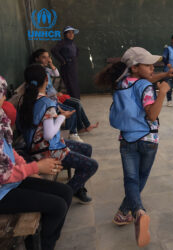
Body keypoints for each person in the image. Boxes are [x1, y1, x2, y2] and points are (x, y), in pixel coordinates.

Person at [95, 47, 173, 247]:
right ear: (135, 67)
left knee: (131, 180)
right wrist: (163, 92)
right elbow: (151, 115)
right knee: (140, 179)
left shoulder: (120, 83)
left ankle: (130, 212)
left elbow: (143, 81)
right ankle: (137, 212)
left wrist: (164, 74)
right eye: (147, 65)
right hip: (148, 140)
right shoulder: (146, 87)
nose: (151, 68)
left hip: (127, 139)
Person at [0, 75, 72, 250]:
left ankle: (42, 242)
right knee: (57, 206)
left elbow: (9, 149)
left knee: (66, 192)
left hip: (12, 181)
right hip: (3, 191)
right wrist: (35, 167)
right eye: (2, 95)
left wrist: (27, 167)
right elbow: (3, 175)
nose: (3, 100)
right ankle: (43, 245)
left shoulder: (1, 117)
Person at [18, 64, 98, 204]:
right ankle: (64, 194)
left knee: (87, 148)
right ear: (46, 80)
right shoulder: (47, 103)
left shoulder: (25, 100)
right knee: (92, 165)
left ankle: (78, 188)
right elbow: (49, 134)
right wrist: (62, 117)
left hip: (35, 146)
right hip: (47, 150)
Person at [31, 49, 99, 140]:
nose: (47, 59)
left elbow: (56, 74)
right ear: (36, 59)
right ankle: (73, 133)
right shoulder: (36, 73)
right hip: (51, 99)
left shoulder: (46, 69)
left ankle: (80, 129)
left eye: (48, 57)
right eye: (44, 57)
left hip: (54, 98)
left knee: (76, 104)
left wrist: (51, 63)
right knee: (74, 107)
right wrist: (55, 97)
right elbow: (42, 92)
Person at [51, 26, 81, 99]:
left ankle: (76, 99)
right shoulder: (62, 42)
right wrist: (63, 60)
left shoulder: (73, 43)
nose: (71, 34)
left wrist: (74, 59)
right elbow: (54, 50)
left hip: (73, 66)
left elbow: (77, 52)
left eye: (72, 33)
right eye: (69, 32)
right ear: (65, 34)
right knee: (69, 83)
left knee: (74, 82)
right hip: (66, 66)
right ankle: (71, 99)